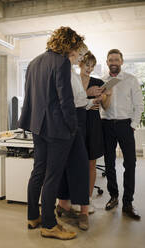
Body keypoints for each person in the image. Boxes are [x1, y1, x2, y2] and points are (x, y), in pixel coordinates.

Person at [18, 26, 85, 240]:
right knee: (52, 176)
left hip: (38, 126)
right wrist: (73, 126)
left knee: (38, 171)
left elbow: (29, 96)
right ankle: (48, 224)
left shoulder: (34, 62)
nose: (75, 51)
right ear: (69, 44)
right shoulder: (62, 62)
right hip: (57, 129)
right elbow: (66, 99)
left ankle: (33, 217)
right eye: (75, 46)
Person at [56, 45, 97, 231]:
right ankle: (64, 205)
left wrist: (90, 102)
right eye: (80, 54)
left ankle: (83, 212)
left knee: (80, 165)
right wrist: (87, 100)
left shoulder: (72, 72)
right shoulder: (64, 71)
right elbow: (66, 101)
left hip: (78, 118)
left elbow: (78, 101)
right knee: (67, 165)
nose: (80, 58)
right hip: (69, 120)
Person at [101, 49, 143, 220]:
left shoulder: (131, 80)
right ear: (107, 62)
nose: (114, 62)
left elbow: (139, 105)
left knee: (130, 163)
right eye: (111, 59)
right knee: (109, 163)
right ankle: (114, 197)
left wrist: (132, 125)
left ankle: (128, 202)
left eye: (116, 59)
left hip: (125, 125)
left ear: (122, 61)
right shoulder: (102, 81)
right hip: (107, 125)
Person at [81, 52, 112, 213]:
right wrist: (89, 98)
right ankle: (73, 197)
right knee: (76, 163)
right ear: (80, 63)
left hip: (93, 124)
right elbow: (70, 103)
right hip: (77, 124)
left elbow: (105, 106)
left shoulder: (98, 82)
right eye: (87, 65)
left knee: (91, 162)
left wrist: (105, 97)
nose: (90, 69)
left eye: (93, 66)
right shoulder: (73, 81)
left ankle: (88, 198)